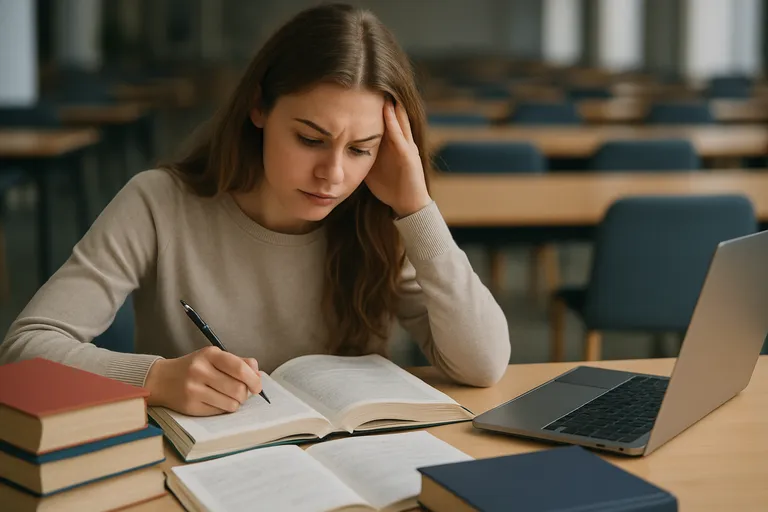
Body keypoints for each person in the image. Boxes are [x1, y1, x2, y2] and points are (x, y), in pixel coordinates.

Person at [0, 3, 510, 416]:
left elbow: (484, 364)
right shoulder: (157, 202)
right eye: (311, 139)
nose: (333, 175)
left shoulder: (378, 217)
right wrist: (154, 379)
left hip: (347, 471)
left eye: (362, 149)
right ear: (259, 107)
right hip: (195, 469)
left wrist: (417, 208)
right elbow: (23, 351)